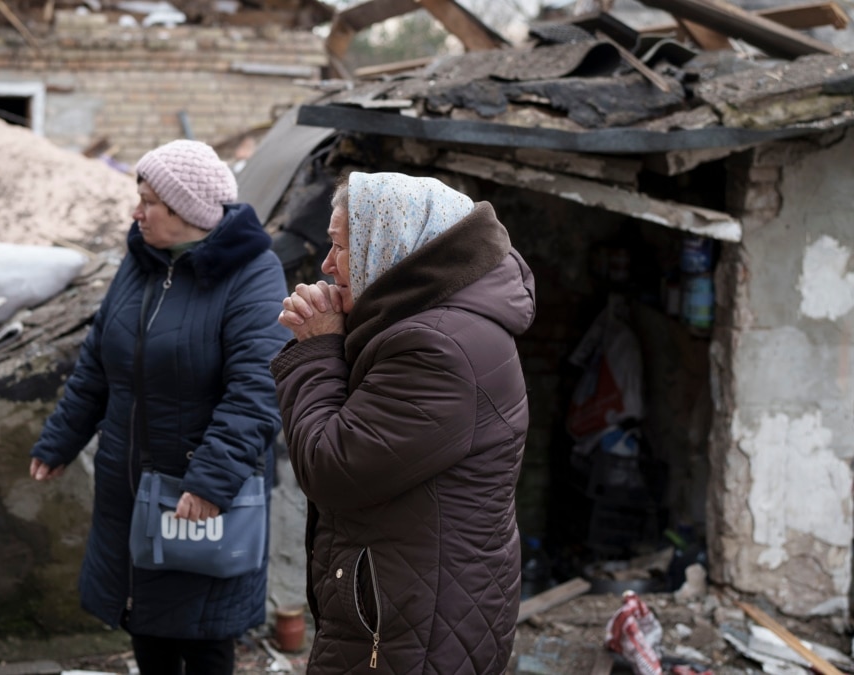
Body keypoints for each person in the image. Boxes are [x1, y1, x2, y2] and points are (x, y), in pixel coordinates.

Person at [28, 140, 289, 675]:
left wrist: (210, 480)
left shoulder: (253, 275)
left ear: (189, 212)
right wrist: (61, 438)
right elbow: (98, 364)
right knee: (144, 622)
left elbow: (259, 388)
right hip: (129, 489)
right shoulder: (140, 264)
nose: (136, 211)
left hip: (198, 496)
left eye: (150, 202)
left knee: (204, 636)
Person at [271, 171, 535, 674]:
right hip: (413, 603)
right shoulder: (424, 323)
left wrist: (319, 350)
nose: (327, 265)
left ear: (388, 245)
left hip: (413, 624)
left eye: (340, 247)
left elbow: (332, 466)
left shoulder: (438, 347)